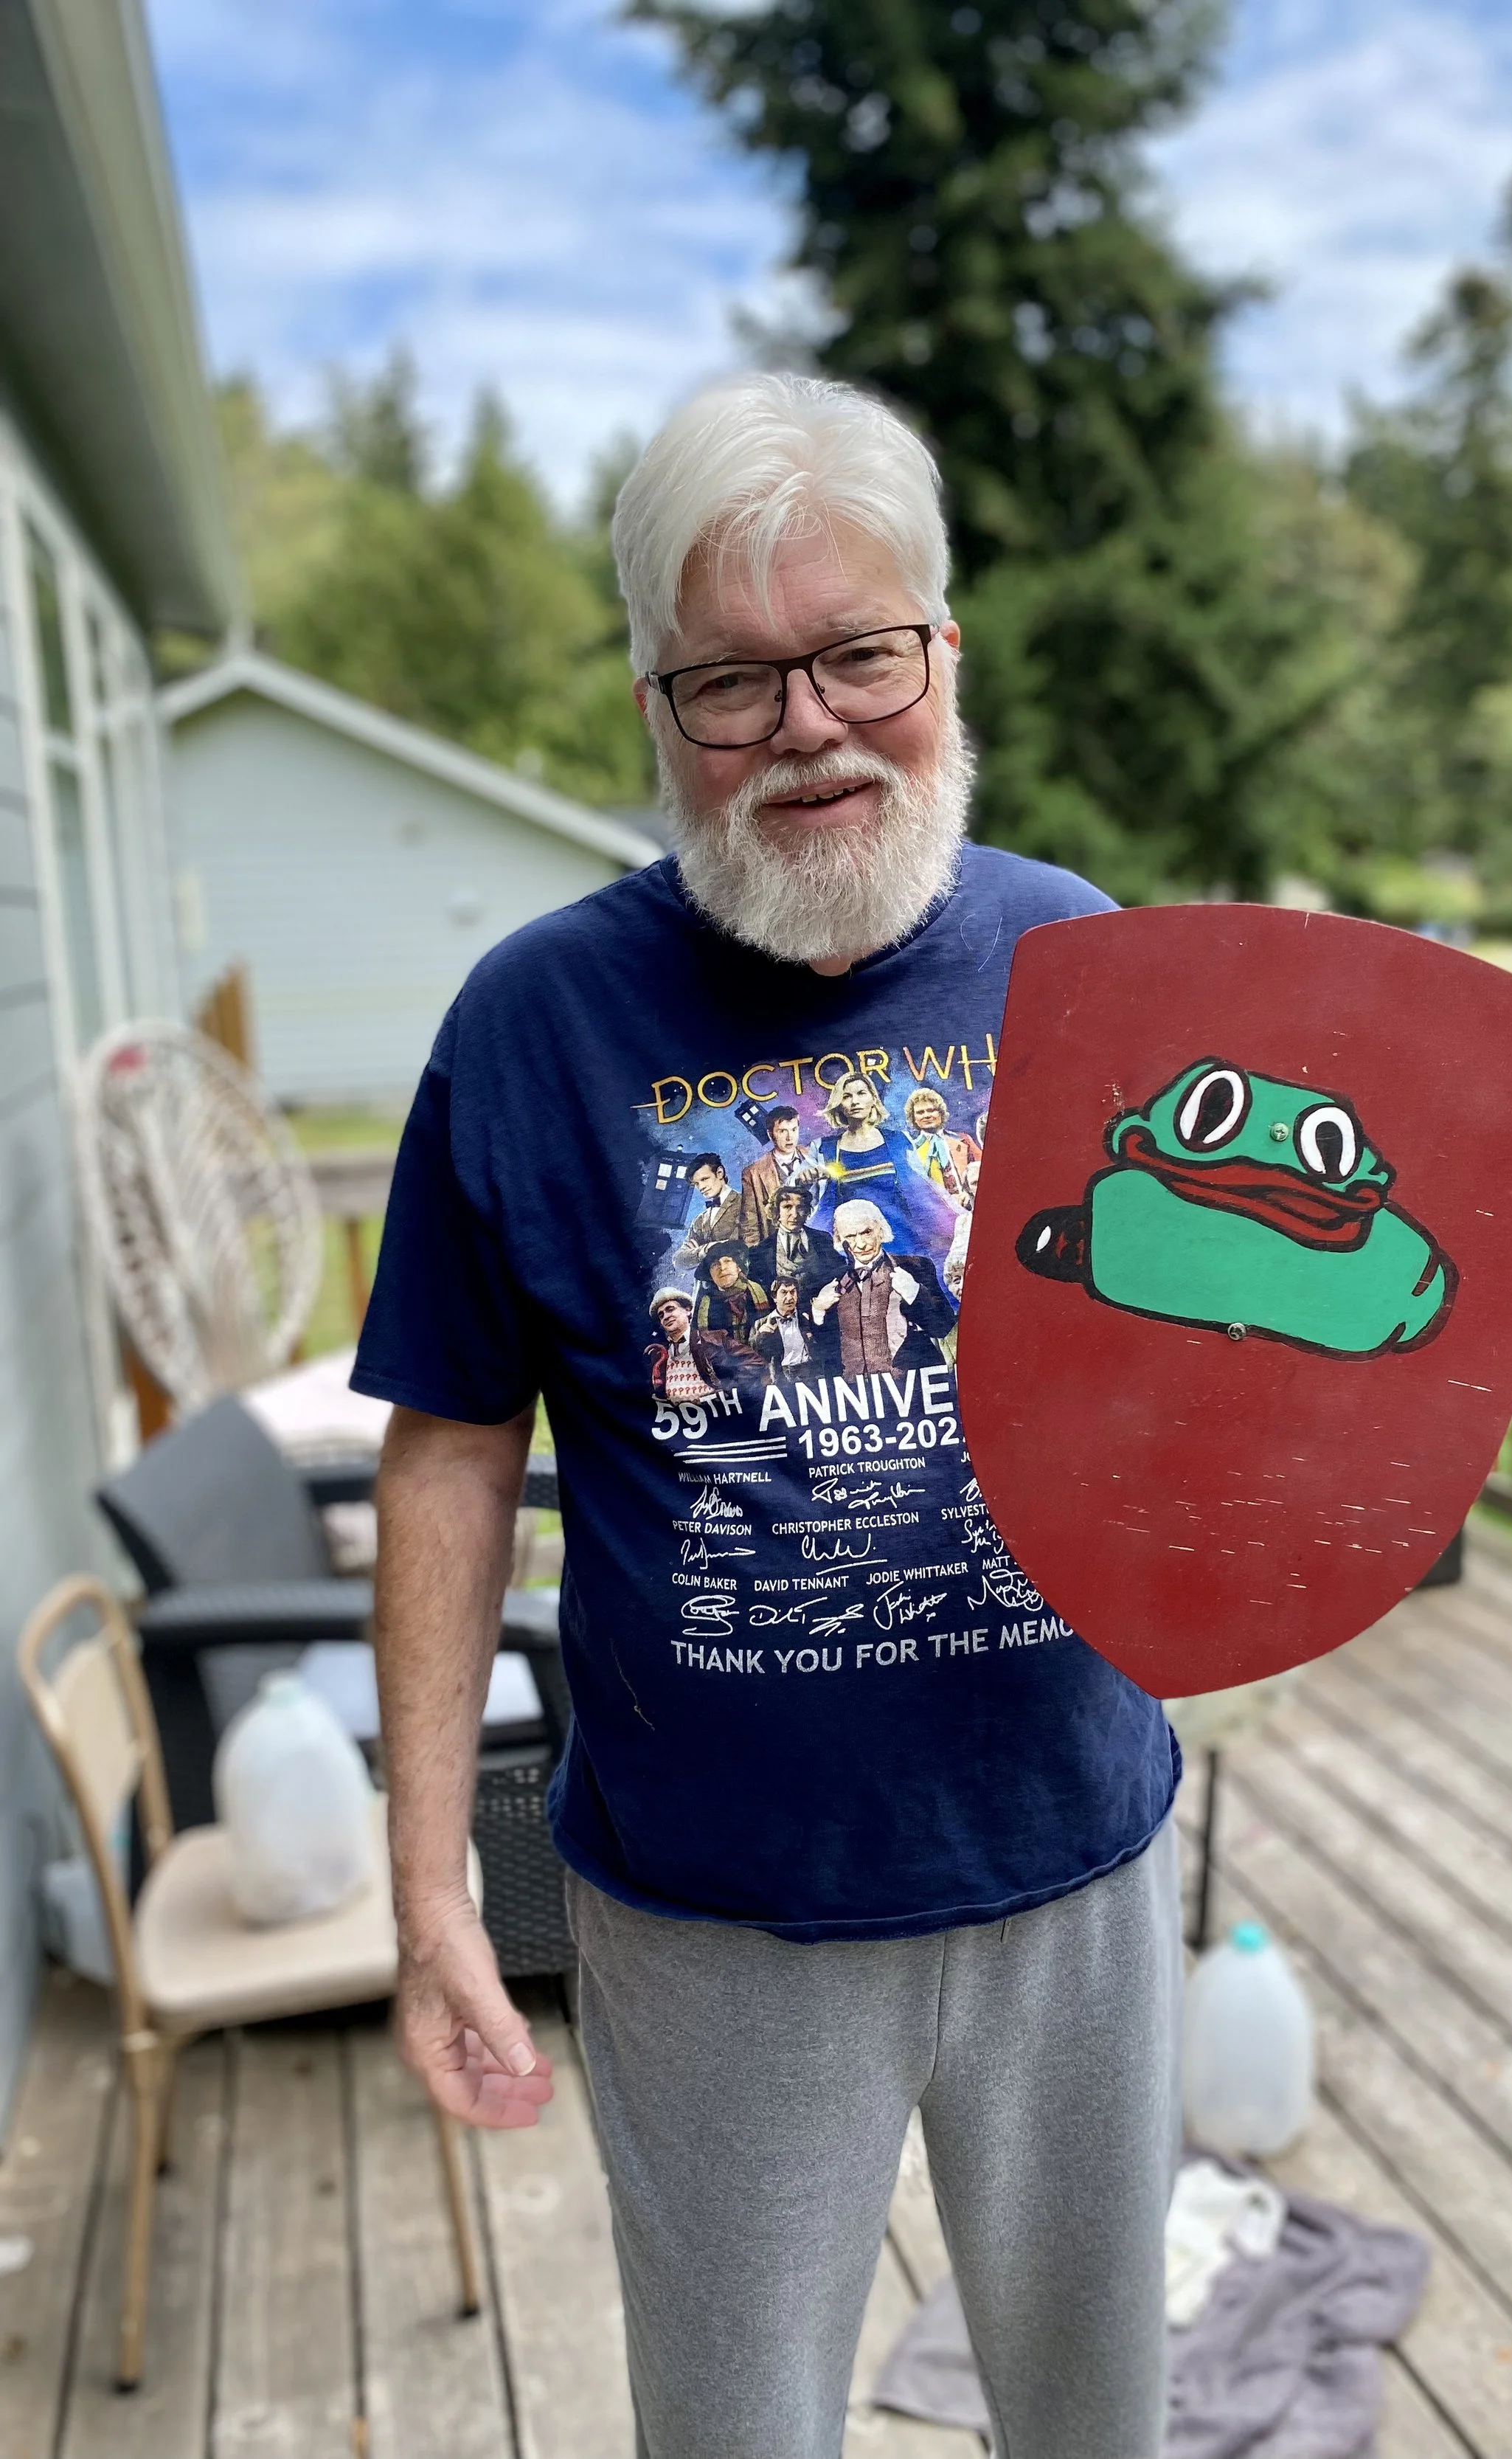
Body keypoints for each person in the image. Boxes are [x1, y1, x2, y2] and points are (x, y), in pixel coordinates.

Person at [358, 370, 1179, 2459]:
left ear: (940, 654)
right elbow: (450, 1447)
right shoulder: (533, 1021)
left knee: (1098, 2413)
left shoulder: (1086, 960)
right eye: (732, 678)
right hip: (710, 1911)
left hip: (1070, 1858)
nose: (808, 723)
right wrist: (432, 1878)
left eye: (857, 654)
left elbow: (1197, 1376)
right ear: (655, 702)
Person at [811, 1197, 957, 1374]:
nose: (861, 1244)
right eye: (850, 1236)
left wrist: (915, 1292)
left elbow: (942, 1327)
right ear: (840, 1239)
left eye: (866, 1233)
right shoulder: (831, 1281)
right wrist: (818, 1311)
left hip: (912, 1382)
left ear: (880, 1230)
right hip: (856, 1390)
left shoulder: (916, 1267)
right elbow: (823, 1352)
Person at [815, 1070, 931, 1249]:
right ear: (839, 1105)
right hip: (856, 1245)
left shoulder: (898, 1140)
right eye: (847, 1096)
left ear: (873, 1099)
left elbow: (923, 1192)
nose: (855, 1101)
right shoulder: (827, 1149)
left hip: (901, 1240)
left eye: (861, 1093)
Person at [739, 1103, 825, 1248]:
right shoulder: (753, 1173)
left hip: (818, 1244)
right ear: (770, 1134)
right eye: (782, 1131)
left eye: (794, 1129)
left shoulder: (816, 1157)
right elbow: (750, 1226)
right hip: (780, 1249)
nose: (789, 1137)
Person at [746, 1182, 840, 1302]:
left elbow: (837, 1271)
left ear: (807, 1211)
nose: (795, 1215)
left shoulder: (823, 1239)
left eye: (800, 1207)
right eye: (787, 1207)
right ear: (776, 1211)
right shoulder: (762, 1250)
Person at [644, 1287, 738, 1401]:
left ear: (688, 1310)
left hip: (714, 1413)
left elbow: (754, 1364)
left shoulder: (714, 1339)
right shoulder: (660, 1353)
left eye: (670, 1309)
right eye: (661, 1315)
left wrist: (728, 1394)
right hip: (679, 1417)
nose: (666, 1317)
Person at [903, 1083, 980, 1207]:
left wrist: (968, 1193)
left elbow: (983, 1171)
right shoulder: (911, 1150)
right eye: (920, 1112)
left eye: (931, 1110)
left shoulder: (964, 1140)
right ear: (914, 1119)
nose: (927, 1115)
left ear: (941, 1113)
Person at [673, 1152, 742, 1270]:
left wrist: (696, 1252)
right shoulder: (699, 1220)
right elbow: (678, 1260)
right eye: (697, 1184)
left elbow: (740, 1247)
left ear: (720, 1173)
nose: (701, 1187)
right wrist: (704, 1250)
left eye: (704, 1179)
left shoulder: (746, 1203)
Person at [749, 1273, 819, 1383]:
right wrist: (761, 1335)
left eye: (793, 1292)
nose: (790, 1298)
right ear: (775, 1297)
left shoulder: (806, 1318)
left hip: (807, 1374)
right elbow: (753, 1356)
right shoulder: (760, 1324)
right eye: (784, 1293)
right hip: (780, 1376)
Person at [695, 1242, 769, 1343]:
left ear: (739, 1267)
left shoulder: (760, 1292)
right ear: (710, 1275)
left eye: (727, 1261)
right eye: (715, 1265)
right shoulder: (707, 1304)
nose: (722, 1268)